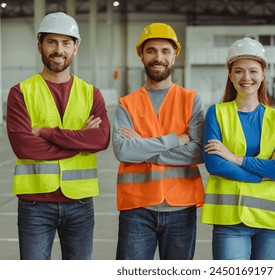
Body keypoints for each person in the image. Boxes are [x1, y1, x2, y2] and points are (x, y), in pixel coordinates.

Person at [5, 12, 110, 260]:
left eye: (66, 43)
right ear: (39, 45)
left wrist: (45, 133)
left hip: (80, 203)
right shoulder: (20, 92)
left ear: (76, 47)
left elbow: (101, 140)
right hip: (35, 203)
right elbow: (24, 147)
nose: (58, 50)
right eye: (52, 42)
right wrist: (80, 142)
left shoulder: (91, 93)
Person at [112, 22, 205, 260]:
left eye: (165, 51)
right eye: (151, 50)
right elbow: (123, 151)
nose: (158, 57)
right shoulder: (127, 103)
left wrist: (143, 148)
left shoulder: (191, 100)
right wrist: (174, 139)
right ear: (141, 55)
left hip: (181, 208)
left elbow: (197, 152)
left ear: (175, 56)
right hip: (137, 208)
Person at [200, 37, 275, 260]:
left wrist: (235, 158)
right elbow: (214, 164)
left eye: (253, 71)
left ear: (263, 74)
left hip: (272, 221)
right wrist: (262, 175)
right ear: (230, 75)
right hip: (231, 219)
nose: (246, 78)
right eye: (239, 71)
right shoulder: (217, 113)